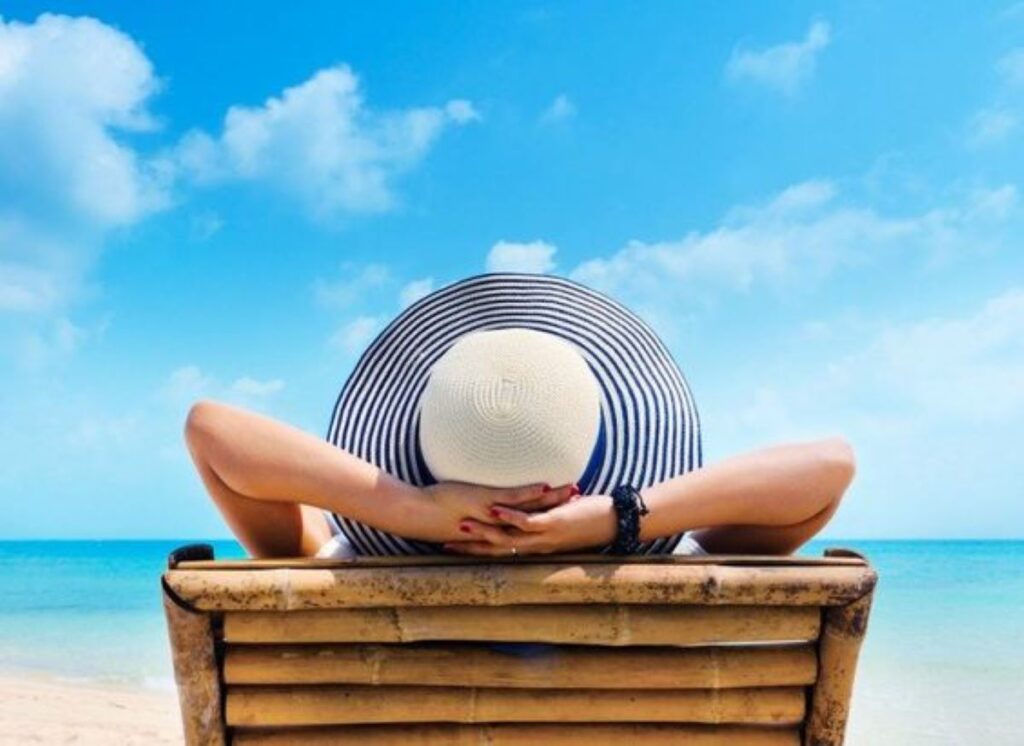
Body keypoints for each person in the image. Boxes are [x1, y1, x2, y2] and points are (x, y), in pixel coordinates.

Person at [184, 274, 854, 559]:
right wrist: (615, 519)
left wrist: (414, 512)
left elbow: (210, 430)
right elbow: (829, 468)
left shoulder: (346, 561)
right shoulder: (670, 566)